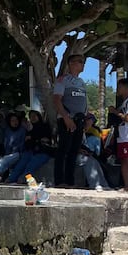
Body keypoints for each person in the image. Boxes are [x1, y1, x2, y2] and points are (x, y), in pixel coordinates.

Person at [52, 54, 88, 187]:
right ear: (71, 63)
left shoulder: (82, 82)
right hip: (67, 119)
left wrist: (87, 119)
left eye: (83, 62)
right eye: (80, 62)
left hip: (79, 121)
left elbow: (84, 103)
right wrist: (66, 118)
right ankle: (60, 181)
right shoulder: (63, 80)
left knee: (74, 151)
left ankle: (69, 181)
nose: (82, 64)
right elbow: (56, 99)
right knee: (63, 150)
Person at [6, 110, 54, 183]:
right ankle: (11, 178)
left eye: (35, 116)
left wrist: (33, 138)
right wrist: (35, 139)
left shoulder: (45, 126)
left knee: (31, 166)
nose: (33, 118)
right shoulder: (29, 128)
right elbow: (27, 142)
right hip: (30, 151)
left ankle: (24, 178)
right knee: (21, 163)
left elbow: (46, 139)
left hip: (43, 152)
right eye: (31, 116)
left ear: (38, 116)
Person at [0, 111, 26, 182]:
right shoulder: (8, 131)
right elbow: (6, 144)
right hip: (9, 153)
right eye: (12, 121)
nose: (15, 122)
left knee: (4, 161)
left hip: (19, 153)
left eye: (16, 120)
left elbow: (22, 144)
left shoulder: (22, 130)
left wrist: (14, 150)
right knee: (4, 160)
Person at [76, 113, 107, 190]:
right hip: (74, 155)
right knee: (89, 161)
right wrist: (79, 150)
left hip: (84, 153)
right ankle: (94, 184)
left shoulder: (85, 132)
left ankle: (103, 184)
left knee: (95, 162)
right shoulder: (77, 131)